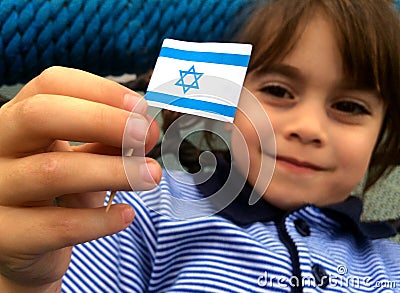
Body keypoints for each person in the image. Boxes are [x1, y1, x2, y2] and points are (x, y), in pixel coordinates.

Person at [0, 0, 399, 292]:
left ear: (383, 130)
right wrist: (28, 283)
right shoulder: (141, 207)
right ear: (228, 103)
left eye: (349, 106)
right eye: (278, 91)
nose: (309, 128)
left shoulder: (392, 265)